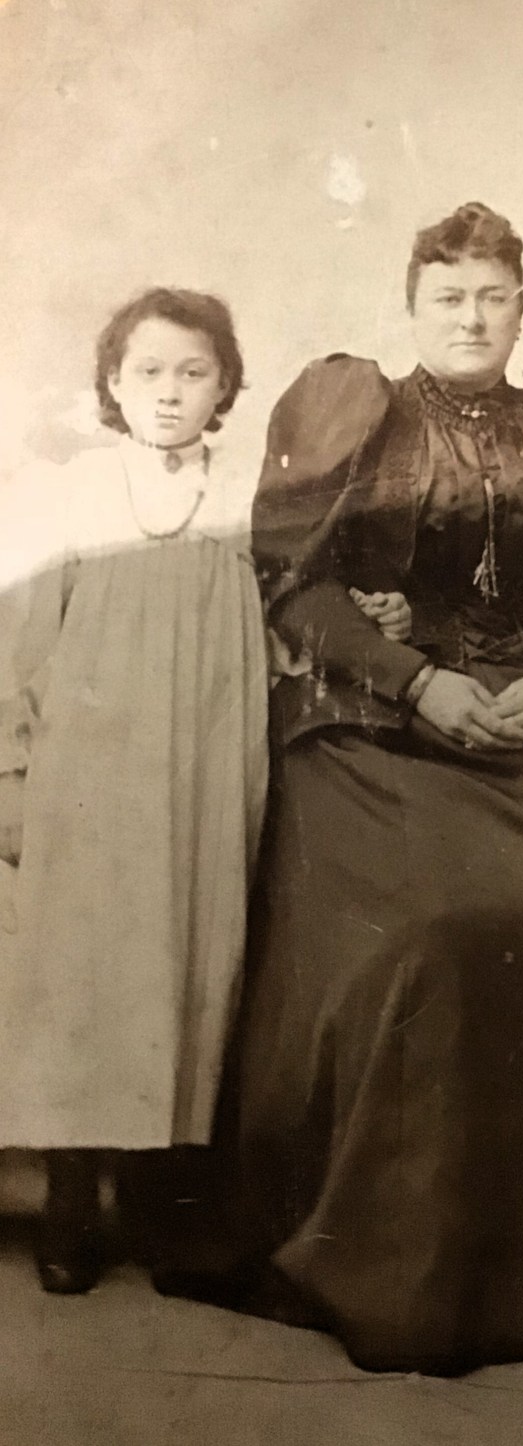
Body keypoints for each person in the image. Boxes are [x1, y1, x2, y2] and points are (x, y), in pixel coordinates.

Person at [189, 203, 523, 1374]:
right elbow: (292, 586)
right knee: (436, 939)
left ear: (520, 304)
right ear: (412, 307)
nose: (473, 317)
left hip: (522, 710)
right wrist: (412, 681)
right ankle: (394, 1267)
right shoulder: (358, 407)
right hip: (368, 727)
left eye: (492, 295)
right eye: (449, 297)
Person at [0, 287, 268, 1293]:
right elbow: (18, 641)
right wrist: (12, 771)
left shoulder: (242, 493)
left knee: (191, 959)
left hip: (206, 760)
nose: (170, 391)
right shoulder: (76, 489)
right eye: (148, 371)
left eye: (194, 372)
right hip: (91, 770)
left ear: (225, 386)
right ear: (113, 383)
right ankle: (72, 1192)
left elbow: (276, 622)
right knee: (85, 969)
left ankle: (158, 1197)